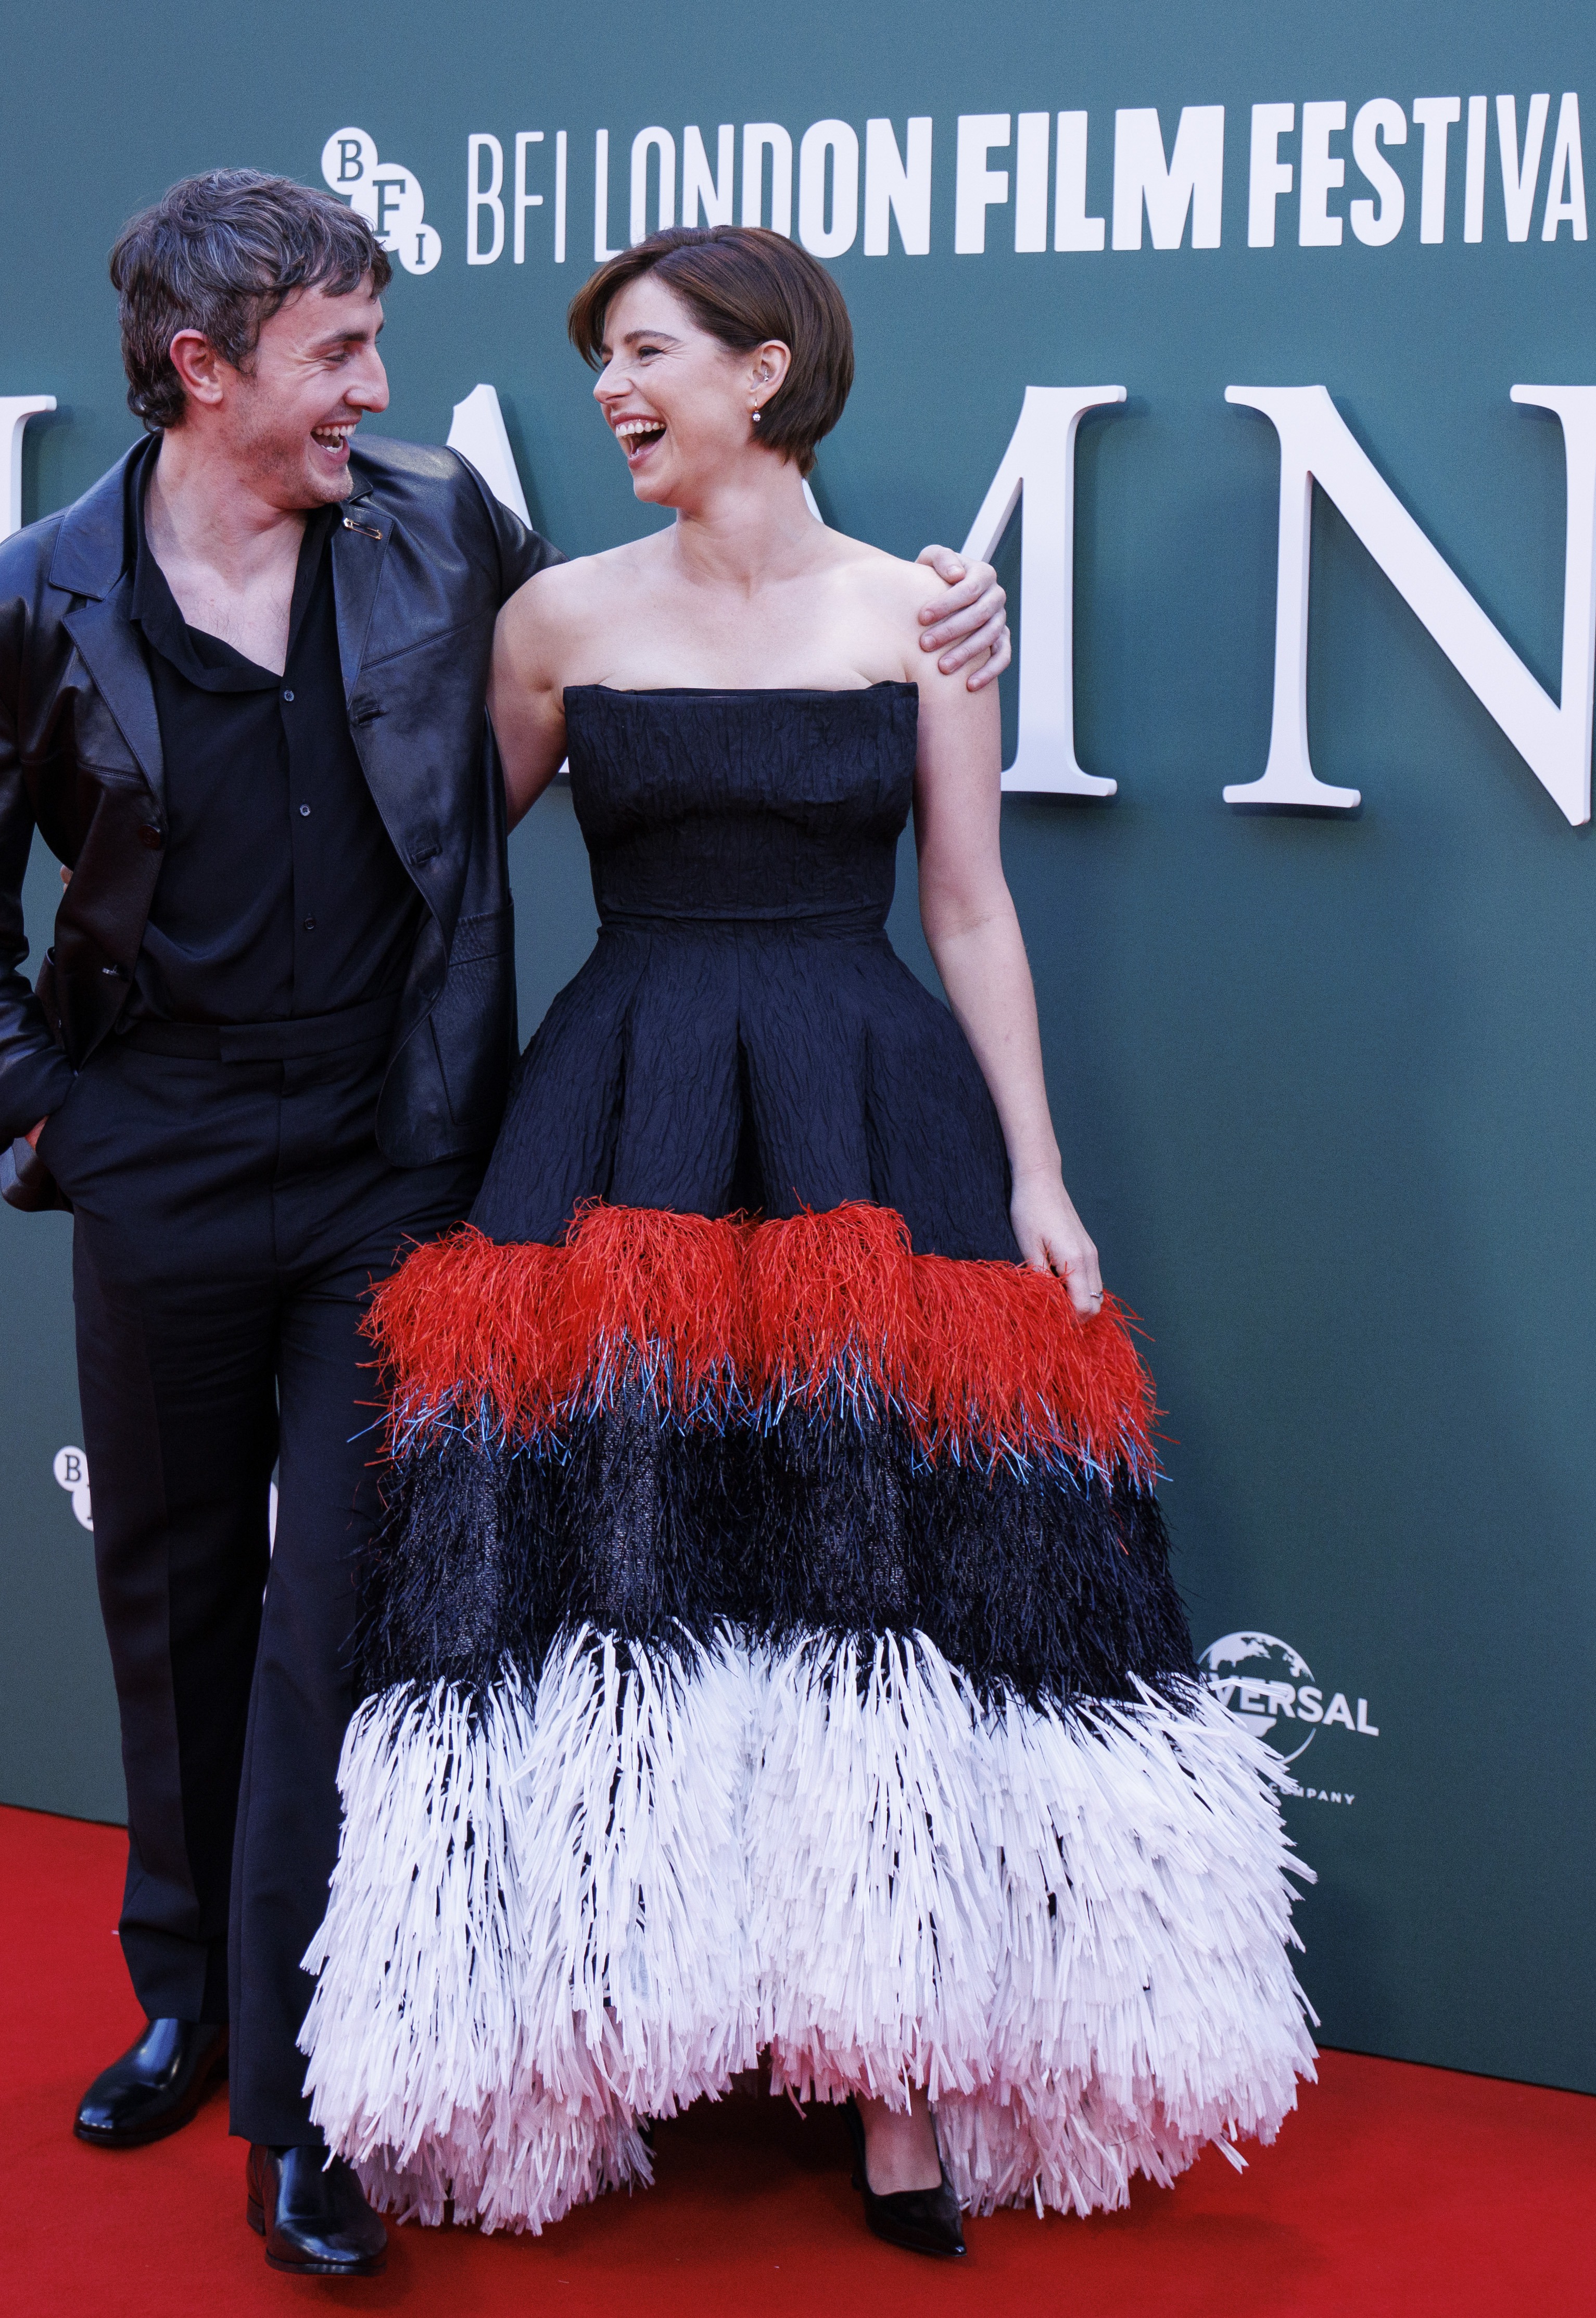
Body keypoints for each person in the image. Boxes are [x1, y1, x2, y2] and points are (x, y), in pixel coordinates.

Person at [0, 175, 1005, 2278]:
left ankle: (305, 2104)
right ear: (202, 367)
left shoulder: (438, 541)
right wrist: (53, 1127)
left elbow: (670, 685)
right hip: (166, 1152)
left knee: (345, 1627)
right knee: (179, 1585)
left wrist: (947, 625)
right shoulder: (17, 609)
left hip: (399, 1153)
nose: (380, 392)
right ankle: (186, 1990)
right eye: (335, 356)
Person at [296, 225, 1314, 2257]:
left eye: (648, 353)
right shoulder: (555, 616)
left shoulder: (921, 607)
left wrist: (1036, 1167)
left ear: (767, 371)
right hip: (627, 1113)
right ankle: (582, 2043)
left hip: (868, 1103)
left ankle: (902, 2075)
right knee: (609, 1566)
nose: (612, 389)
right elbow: (433, 886)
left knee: (889, 1574)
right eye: (602, 361)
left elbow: (967, 906)